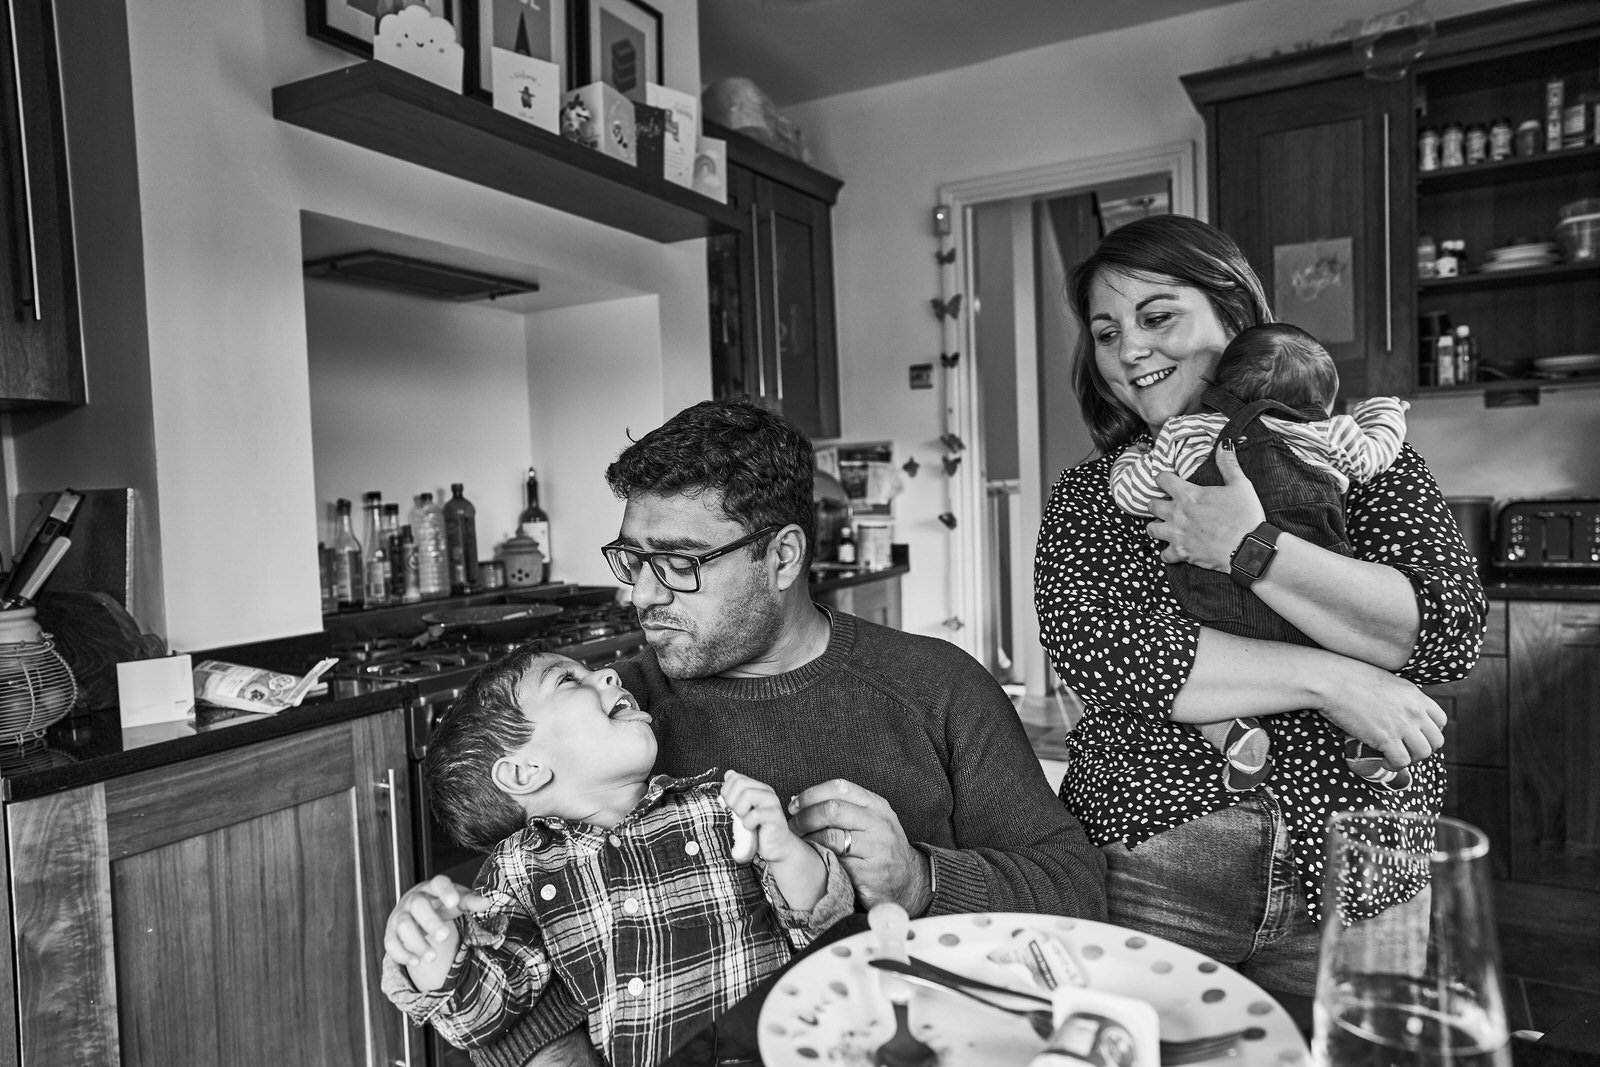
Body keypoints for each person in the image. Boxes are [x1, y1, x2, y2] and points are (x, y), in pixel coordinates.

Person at [386, 397, 1107, 1065]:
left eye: (678, 563)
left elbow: (1077, 893)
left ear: (783, 557)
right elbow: (510, 936)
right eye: (633, 559)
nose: (641, 593)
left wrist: (920, 878)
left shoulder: (936, 685)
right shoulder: (618, 723)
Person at [1034, 214, 1486, 1007]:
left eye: (1157, 316)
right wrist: (1337, 681)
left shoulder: (1352, 453)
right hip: (1156, 852)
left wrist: (1252, 543)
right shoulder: (1097, 493)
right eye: (1106, 332)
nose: (1127, 350)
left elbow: (1441, 632)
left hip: (1366, 853)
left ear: (1235, 316)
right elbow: (1114, 652)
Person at [380, 647, 854, 1067]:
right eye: (568, 680)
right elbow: (483, 1014)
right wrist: (432, 942)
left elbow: (824, 924)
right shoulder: (516, 871)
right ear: (525, 771)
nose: (607, 674)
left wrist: (787, 850)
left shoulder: (718, 804)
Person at [1107, 321, 1413, 793]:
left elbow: (1131, 493)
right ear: (1318, 403)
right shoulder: (1329, 434)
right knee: (1364, 669)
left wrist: (1132, 457)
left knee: (1201, 681)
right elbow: (1376, 453)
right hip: (1314, 608)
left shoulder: (1186, 433)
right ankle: (1368, 744)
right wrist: (1384, 410)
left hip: (1219, 613)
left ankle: (1234, 733)